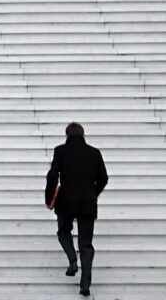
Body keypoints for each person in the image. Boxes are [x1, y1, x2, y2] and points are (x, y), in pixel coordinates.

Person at [45, 122, 108, 297]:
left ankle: (72, 259)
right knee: (86, 244)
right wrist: (93, 194)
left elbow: (52, 176)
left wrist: (49, 199)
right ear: (83, 135)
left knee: (63, 230)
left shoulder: (60, 151)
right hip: (87, 202)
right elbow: (104, 178)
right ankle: (85, 284)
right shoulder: (94, 153)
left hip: (66, 200)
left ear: (67, 136)